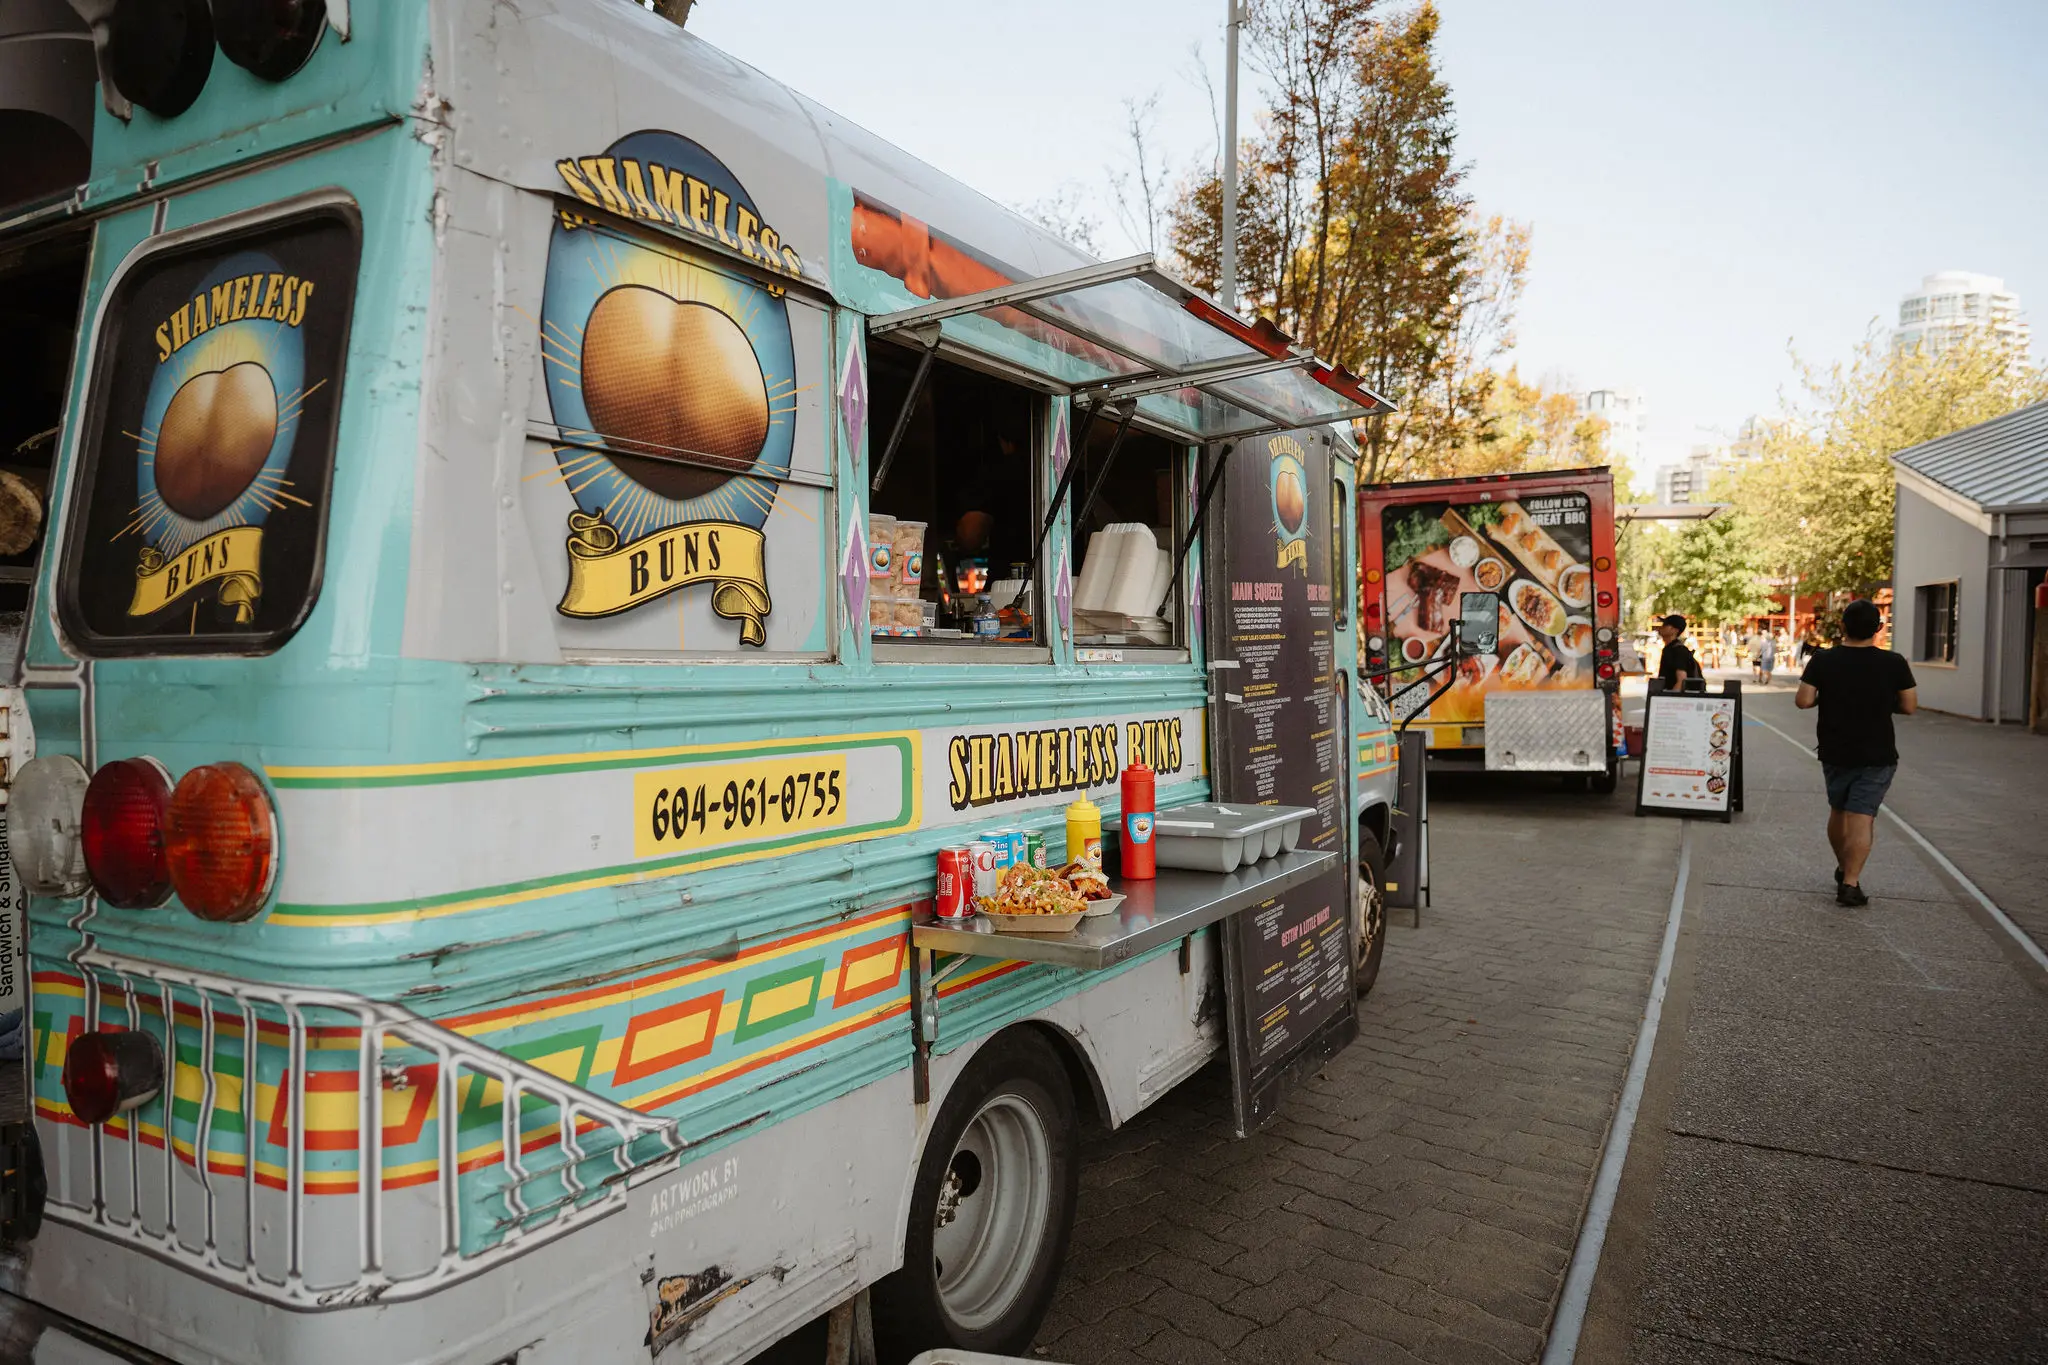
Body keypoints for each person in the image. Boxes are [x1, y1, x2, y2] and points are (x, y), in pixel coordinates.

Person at [1795, 599, 1917, 906]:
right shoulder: (1894, 662)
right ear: (1878, 629)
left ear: (1842, 626)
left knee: (1839, 809)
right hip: (1877, 751)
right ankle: (1850, 882)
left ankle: (1843, 866)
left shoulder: (1823, 660)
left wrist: (1831, 696)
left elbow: (1803, 701)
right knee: (1862, 816)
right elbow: (1909, 705)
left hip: (1835, 748)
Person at [1655, 614, 1698, 691]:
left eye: (1665, 625)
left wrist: (1671, 699)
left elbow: (1681, 681)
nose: (1661, 627)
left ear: (1675, 630)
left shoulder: (1679, 650)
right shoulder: (1670, 648)